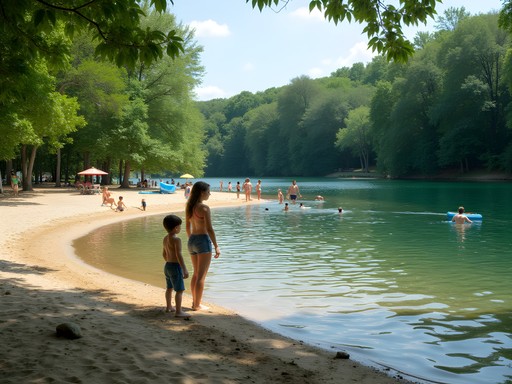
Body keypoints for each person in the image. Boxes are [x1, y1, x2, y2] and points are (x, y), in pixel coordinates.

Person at [185, 181, 220, 311]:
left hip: (192, 240)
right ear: (202, 192)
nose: (209, 194)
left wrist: (191, 240)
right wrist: (216, 246)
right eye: (208, 192)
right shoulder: (204, 208)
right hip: (203, 241)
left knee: (195, 274)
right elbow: (210, 229)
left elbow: (187, 228)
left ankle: (195, 302)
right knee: (201, 276)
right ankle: (197, 305)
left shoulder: (189, 206)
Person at [162, 214, 190, 318]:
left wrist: (169, 261)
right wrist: (184, 269)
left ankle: (169, 307)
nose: (180, 228)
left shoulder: (165, 238)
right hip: (175, 266)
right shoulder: (177, 240)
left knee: (169, 288)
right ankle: (178, 311)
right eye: (180, 226)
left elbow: (164, 254)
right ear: (176, 228)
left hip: (167, 266)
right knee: (179, 290)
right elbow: (179, 255)